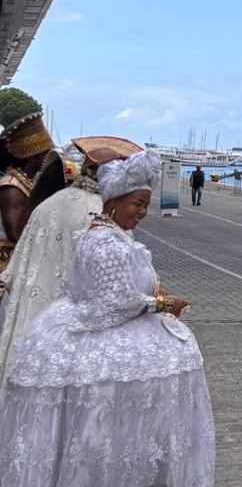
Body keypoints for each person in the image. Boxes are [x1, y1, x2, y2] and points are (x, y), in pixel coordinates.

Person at [0, 150, 215, 487]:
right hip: (96, 332)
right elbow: (110, 306)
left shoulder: (110, 235)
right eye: (138, 204)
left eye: (146, 205)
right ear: (113, 202)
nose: (142, 213)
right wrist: (165, 306)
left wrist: (154, 300)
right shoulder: (105, 242)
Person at [0, 136, 141, 391]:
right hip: (76, 330)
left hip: (33, 320)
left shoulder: (50, 202)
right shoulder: (104, 214)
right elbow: (115, 289)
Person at [0, 89, 58, 245]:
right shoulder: (11, 187)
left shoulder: (28, 182)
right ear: (33, 157)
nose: (51, 157)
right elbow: (15, 234)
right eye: (47, 153)